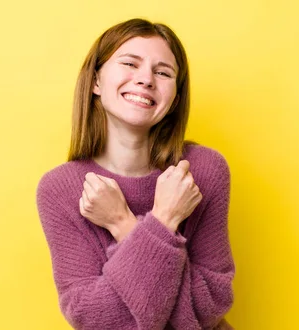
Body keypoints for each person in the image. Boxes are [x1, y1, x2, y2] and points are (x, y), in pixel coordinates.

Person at [36, 18, 235, 330]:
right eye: (130, 63)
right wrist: (163, 224)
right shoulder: (61, 189)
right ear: (96, 82)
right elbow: (98, 321)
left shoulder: (204, 171)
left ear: (174, 100)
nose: (146, 79)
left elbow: (208, 306)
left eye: (163, 72)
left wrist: (124, 223)